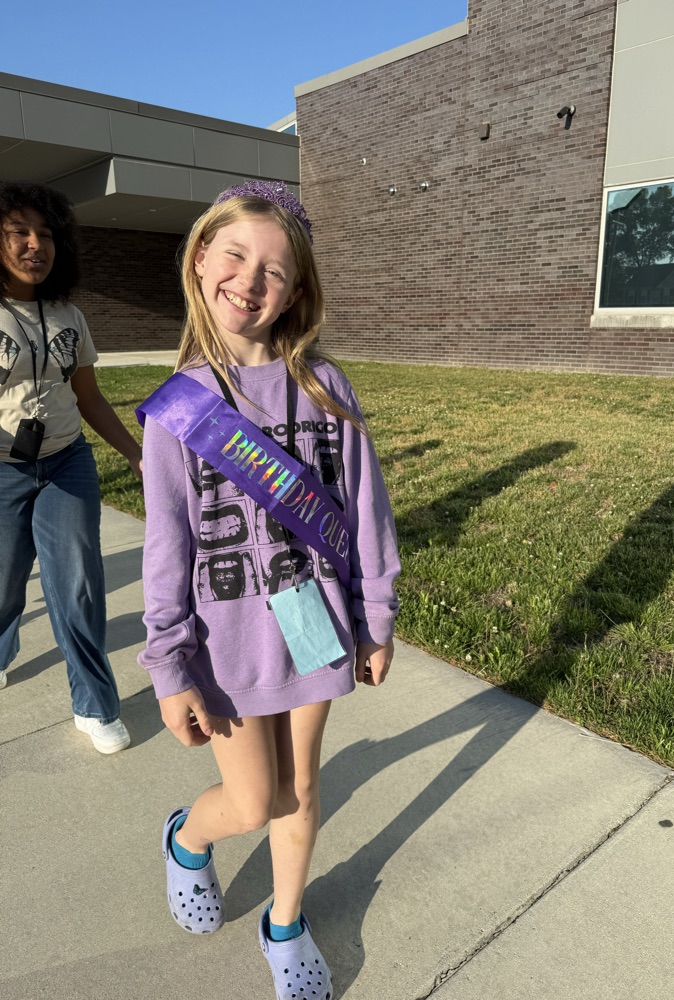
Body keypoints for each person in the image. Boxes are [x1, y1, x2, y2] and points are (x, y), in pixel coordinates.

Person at [137, 180, 400, 998]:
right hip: (227, 640)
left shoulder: (324, 386)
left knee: (304, 787)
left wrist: (375, 614)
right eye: (236, 255)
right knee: (253, 801)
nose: (251, 280)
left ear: (297, 292)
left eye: (276, 271)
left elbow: (366, 509)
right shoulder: (180, 410)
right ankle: (188, 837)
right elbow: (165, 547)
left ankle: (284, 924)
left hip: (314, 621)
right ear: (200, 259)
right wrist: (169, 664)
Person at [0, 181, 142, 753]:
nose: (36, 244)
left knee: (79, 585)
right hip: (3, 469)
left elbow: (89, 397)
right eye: (19, 232)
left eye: (47, 234)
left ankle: (94, 702)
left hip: (65, 461)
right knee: (5, 583)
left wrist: (134, 453)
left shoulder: (69, 315)